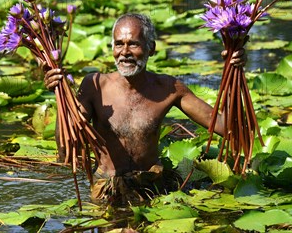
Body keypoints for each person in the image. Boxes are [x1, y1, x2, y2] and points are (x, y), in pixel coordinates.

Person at [43, 13, 244, 205]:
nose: (125, 52)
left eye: (133, 44)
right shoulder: (95, 85)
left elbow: (227, 128)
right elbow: (66, 150)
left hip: (153, 187)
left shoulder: (168, 88)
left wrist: (233, 71)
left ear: (151, 48)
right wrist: (59, 96)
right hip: (107, 190)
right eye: (119, 44)